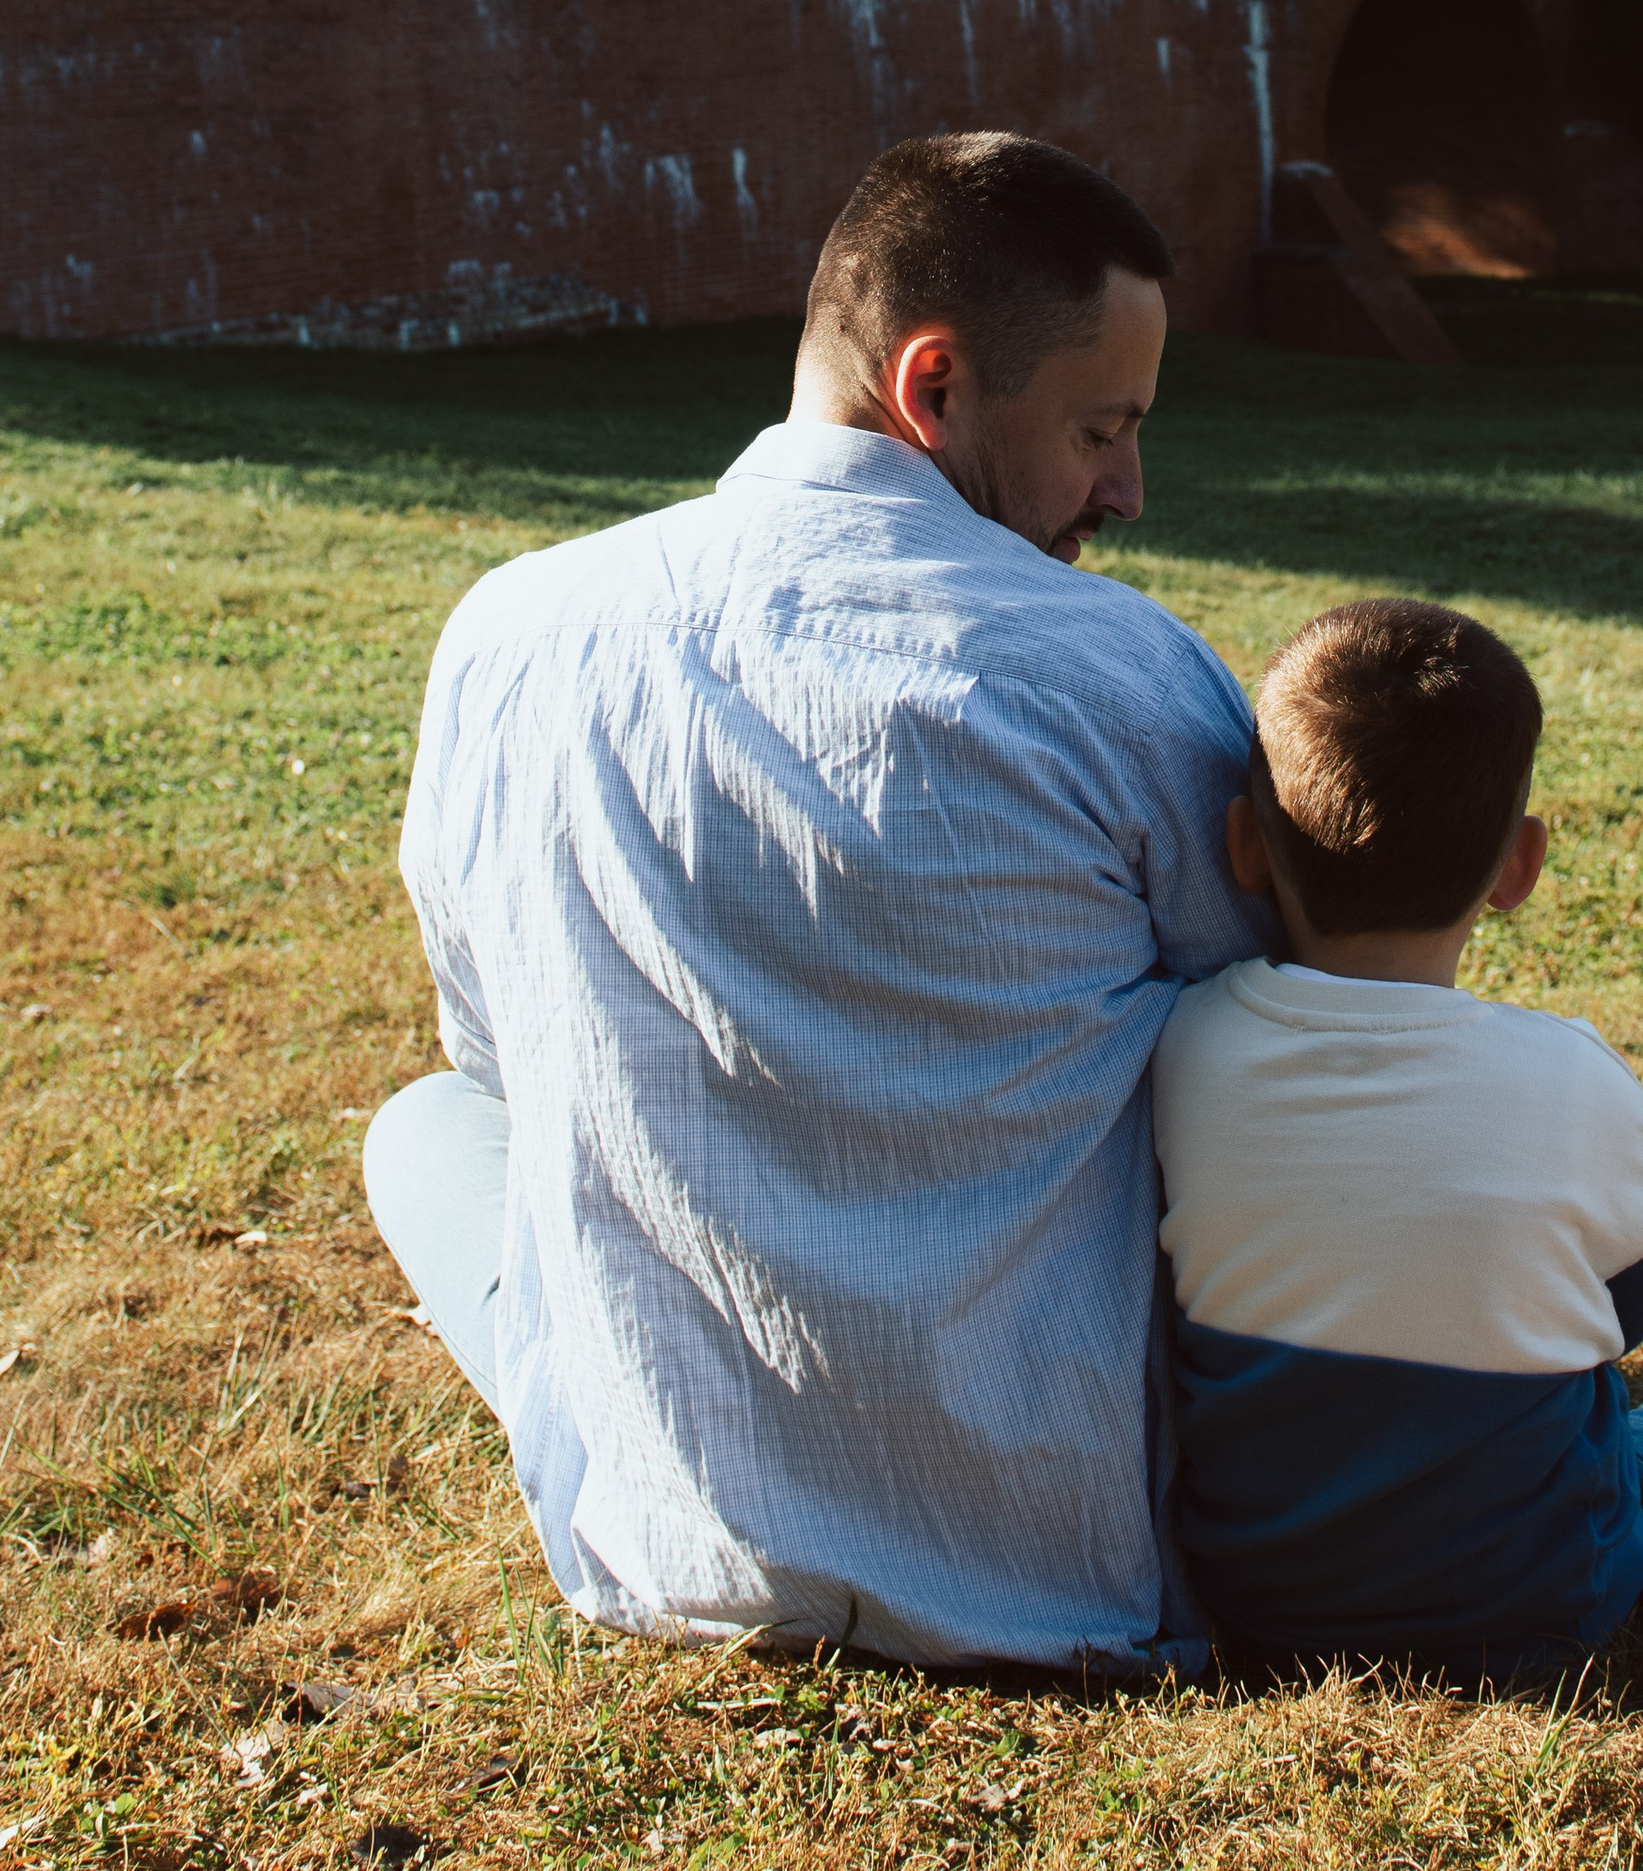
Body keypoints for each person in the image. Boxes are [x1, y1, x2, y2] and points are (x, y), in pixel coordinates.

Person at [367, 130, 1267, 1673]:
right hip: (1067, 1559)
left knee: (426, 1130)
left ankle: (723, 1457)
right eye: (1101, 429)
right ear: (933, 390)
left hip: (665, 1548)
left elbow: (501, 1059)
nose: (1128, 489)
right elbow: (1276, 1061)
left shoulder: (509, 631)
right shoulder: (1121, 677)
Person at [1151, 596, 1643, 1679]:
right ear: (1519, 867)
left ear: (1243, 846)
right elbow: (1626, 1302)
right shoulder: (1574, 1079)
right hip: (1552, 1602)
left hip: (1258, 1604)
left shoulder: (1182, 1047)